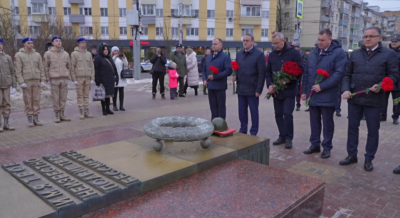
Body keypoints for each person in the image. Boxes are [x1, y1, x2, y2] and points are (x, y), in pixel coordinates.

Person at [340, 27, 399, 172]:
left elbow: (394, 75)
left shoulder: (389, 54)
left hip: (375, 99)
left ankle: (369, 158)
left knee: (373, 131)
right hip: (355, 98)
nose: (367, 39)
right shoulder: (355, 54)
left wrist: (381, 85)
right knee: (352, 128)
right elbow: (347, 74)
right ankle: (352, 155)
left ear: (379, 38)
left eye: (371, 36)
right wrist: (346, 89)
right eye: (365, 36)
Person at [301, 29, 347, 159]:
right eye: (318, 40)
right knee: (314, 122)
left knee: (327, 123)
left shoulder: (339, 54)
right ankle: (314, 144)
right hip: (313, 94)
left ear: (330, 40)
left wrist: (322, 86)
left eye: (322, 40)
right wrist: (304, 91)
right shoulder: (314, 52)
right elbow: (307, 73)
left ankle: (327, 147)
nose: (319, 43)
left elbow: (338, 75)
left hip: (328, 94)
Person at [266, 32, 304, 149]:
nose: (275, 46)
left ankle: (289, 138)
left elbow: (301, 70)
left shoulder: (294, 53)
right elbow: (268, 72)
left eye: (277, 43)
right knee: (278, 114)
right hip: (276, 90)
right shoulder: (272, 54)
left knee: (287, 114)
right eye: (273, 44)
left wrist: (289, 80)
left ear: (284, 41)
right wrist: (270, 85)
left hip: (289, 90)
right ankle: (282, 135)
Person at [233, 34, 266, 136]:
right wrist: (235, 75)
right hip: (241, 88)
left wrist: (259, 90)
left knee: (253, 112)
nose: (245, 42)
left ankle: (253, 131)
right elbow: (237, 68)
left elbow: (262, 74)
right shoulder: (239, 54)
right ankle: (243, 129)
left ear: (252, 42)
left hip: (252, 89)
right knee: (242, 112)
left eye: (247, 40)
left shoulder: (259, 54)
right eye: (244, 40)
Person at [15, 37, 46, 127]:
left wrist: (43, 80)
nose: (30, 44)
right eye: (28, 43)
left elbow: (41, 68)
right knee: (28, 100)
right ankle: (30, 119)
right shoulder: (19, 55)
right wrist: (21, 82)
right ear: (24, 44)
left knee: (36, 100)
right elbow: (18, 70)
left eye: (32, 43)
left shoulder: (37, 55)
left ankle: (36, 118)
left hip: (36, 80)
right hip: (26, 81)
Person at [202, 38, 232, 120]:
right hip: (210, 87)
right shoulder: (208, 57)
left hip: (220, 87)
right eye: (212, 44)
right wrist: (204, 79)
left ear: (221, 45)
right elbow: (204, 70)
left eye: (215, 44)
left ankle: (221, 125)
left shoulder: (225, 57)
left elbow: (228, 71)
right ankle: (214, 125)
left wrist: (215, 76)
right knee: (213, 107)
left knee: (221, 107)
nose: (213, 46)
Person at [44, 36, 71, 123]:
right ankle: (56, 114)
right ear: (52, 43)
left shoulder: (65, 54)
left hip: (64, 78)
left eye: (60, 40)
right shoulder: (48, 54)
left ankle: (62, 114)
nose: (59, 42)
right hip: (54, 78)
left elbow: (69, 66)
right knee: (56, 97)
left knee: (63, 97)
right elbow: (46, 67)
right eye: (56, 41)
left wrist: (68, 76)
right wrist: (47, 78)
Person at [71, 37, 95, 120]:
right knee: (80, 95)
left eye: (84, 42)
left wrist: (92, 77)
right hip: (79, 77)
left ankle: (86, 111)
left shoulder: (88, 54)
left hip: (87, 77)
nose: (84, 44)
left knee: (86, 95)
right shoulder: (74, 54)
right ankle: (81, 111)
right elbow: (72, 67)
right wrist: (74, 79)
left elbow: (92, 66)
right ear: (78, 44)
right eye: (82, 42)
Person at [94, 43, 119, 116]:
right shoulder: (98, 58)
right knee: (103, 96)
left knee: (108, 95)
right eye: (104, 49)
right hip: (103, 80)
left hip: (110, 79)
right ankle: (103, 110)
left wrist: (117, 77)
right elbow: (96, 70)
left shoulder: (110, 58)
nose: (106, 51)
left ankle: (108, 109)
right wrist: (97, 80)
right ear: (101, 50)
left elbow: (114, 68)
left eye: (107, 49)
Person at [381, 34, 400, 124]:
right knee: (383, 100)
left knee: (397, 101)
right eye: (392, 41)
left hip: (398, 82)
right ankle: (382, 115)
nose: (394, 43)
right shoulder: (386, 52)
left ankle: (395, 117)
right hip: (387, 80)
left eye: (396, 41)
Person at [0, 38, 17, 132]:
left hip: (6, 84)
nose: (0, 46)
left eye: (1, 44)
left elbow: (12, 72)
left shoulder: (8, 57)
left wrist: (14, 86)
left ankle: (6, 123)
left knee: (7, 104)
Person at [111, 46, 128, 111]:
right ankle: (114, 105)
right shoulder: (112, 58)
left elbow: (126, 64)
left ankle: (121, 105)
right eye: (115, 51)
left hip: (121, 76)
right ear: (112, 52)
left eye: (117, 51)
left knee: (121, 92)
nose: (116, 52)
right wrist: (115, 56)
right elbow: (112, 62)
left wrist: (124, 58)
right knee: (115, 92)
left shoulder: (120, 58)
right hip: (115, 76)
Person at [292, 41, 307, 111]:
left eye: (296, 47)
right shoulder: (290, 54)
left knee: (298, 91)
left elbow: (304, 64)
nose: (295, 48)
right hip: (292, 74)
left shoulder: (303, 54)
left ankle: (298, 104)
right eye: (294, 46)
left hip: (300, 74)